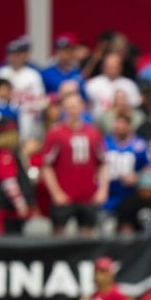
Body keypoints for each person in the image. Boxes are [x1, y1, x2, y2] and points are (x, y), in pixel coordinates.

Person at [41, 92, 109, 235]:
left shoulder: (93, 133)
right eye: (69, 107)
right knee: (59, 232)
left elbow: (103, 162)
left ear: (82, 107)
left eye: (76, 106)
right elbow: (47, 166)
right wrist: (56, 192)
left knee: (87, 233)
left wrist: (102, 189)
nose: (73, 110)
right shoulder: (56, 133)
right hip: (64, 194)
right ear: (64, 109)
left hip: (87, 195)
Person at [0, 37, 46, 142]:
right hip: (5, 112)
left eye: (18, 54)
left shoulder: (33, 74)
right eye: (12, 54)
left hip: (27, 112)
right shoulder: (2, 73)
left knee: (26, 116)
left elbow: (40, 99)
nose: (15, 57)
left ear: (24, 55)